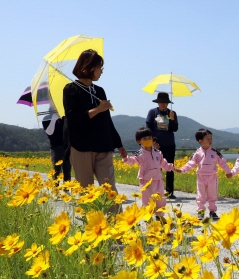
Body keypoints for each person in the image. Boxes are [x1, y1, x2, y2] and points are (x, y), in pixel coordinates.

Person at [62, 49, 127, 194]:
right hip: (81, 147)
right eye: (100, 67)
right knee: (86, 191)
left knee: (110, 191)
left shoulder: (100, 91)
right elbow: (73, 119)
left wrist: (118, 143)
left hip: (104, 146)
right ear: (90, 67)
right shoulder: (70, 89)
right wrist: (98, 109)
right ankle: (89, 217)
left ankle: (115, 217)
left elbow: (107, 121)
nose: (101, 71)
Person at [175, 129, 233, 220]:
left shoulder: (215, 152)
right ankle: (201, 211)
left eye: (211, 138)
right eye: (207, 138)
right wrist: (182, 170)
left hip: (212, 177)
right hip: (201, 177)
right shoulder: (197, 153)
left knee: (212, 195)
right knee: (201, 195)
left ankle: (212, 211)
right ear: (200, 141)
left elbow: (223, 162)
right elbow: (190, 163)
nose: (210, 140)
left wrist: (229, 172)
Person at [122, 128, 174, 215]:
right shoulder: (139, 154)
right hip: (145, 181)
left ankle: (159, 216)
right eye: (144, 139)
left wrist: (172, 167)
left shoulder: (158, 153)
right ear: (139, 141)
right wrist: (125, 158)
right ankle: (147, 218)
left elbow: (163, 164)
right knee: (147, 200)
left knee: (160, 199)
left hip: (158, 179)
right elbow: (132, 161)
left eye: (149, 138)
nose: (148, 140)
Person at [146, 92, 178, 199]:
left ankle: (169, 191)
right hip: (156, 145)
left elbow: (175, 129)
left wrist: (172, 120)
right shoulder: (152, 112)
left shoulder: (172, 113)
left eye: (165, 102)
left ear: (168, 103)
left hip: (169, 144)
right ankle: (156, 191)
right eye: (161, 102)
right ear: (158, 103)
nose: (163, 104)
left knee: (169, 167)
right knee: (156, 168)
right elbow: (148, 127)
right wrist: (153, 141)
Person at [42, 108, 71, 182]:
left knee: (67, 169)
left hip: (66, 146)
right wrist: (53, 120)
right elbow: (49, 132)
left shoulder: (64, 117)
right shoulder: (46, 119)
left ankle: (66, 188)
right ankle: (56, 187)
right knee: (56, 170)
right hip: (55, 147)